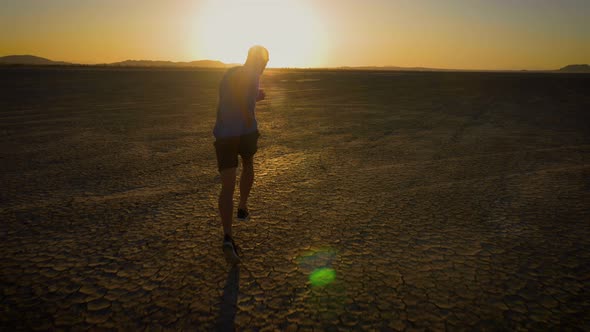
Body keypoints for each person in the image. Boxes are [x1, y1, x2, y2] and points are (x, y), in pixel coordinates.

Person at [213, 45, 269, 265]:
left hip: (224, 133)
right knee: (248, 164)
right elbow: (242, 99)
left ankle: (228, 236)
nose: (265, 67)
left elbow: (231, 96)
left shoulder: (230, 73)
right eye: (265, 62)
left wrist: (255, 98)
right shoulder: (253, 74)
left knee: (227, 186)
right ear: (259, 61)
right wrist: (247, 115)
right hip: (244, 132)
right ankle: (243, 207)